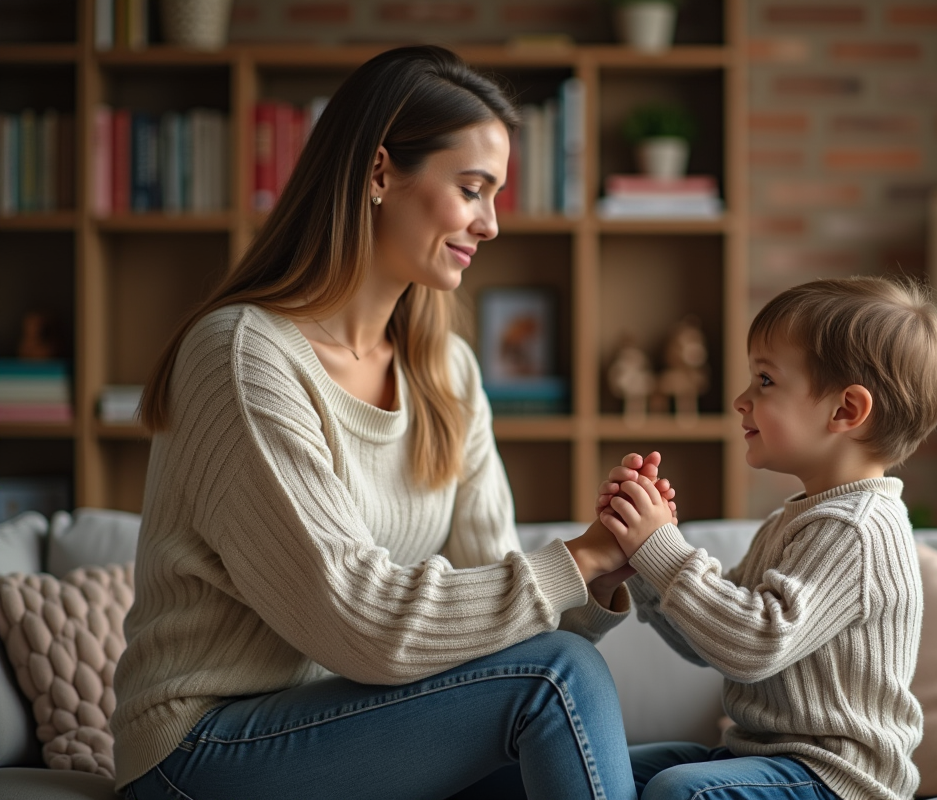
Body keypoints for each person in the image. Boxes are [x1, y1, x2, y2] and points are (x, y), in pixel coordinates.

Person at [112, 45, 672, 800]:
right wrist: (573, 557)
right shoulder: (245, 357)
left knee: (671, 771)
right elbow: (359, 622)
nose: (492, 223)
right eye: (473, 189)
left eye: (496, 195)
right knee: (557, 685)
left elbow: (503, 621)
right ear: (379, 173)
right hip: (201, 749)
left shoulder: (447, 373)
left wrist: (607, 568)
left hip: (350, 728)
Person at [596, 277, 937, 800]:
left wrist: (663, 551)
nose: (741, 400)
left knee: (682, 792)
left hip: (837, 779)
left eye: (764, 380)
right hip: (763, 758)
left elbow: (755, 645)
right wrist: (645, 563)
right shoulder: (794, 520)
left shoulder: (857, 529)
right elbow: (717, 645)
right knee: (609, 766)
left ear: (845, 411)